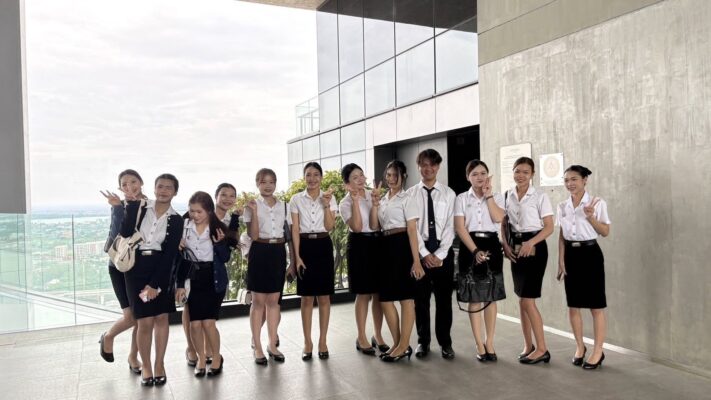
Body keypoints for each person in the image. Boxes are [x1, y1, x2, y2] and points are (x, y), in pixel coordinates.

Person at [121, 174, 183, 386]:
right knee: (144, 321)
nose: (163, 191)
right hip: (136, 269)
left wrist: (156, 284)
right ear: (154, 188)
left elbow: (170, 254)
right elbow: (125, 232)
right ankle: (146, 366)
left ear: (175, 192)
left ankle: (159, 364)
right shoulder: (141, 208)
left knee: (161, 319)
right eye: (160, 186)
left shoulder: (176, 220)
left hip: (161, 270)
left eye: (169, 187)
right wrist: (131, 204)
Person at [556, 165, 610, 370]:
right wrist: (561, 260)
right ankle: (580, 347)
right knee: (573, 305)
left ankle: (598, 351)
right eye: (566, 180)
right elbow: (562, 235)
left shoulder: (597, 203)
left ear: (584, 180)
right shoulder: (562, 206)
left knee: (596, 306)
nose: (570, 183)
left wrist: (591, 217)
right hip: (570, 255)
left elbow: (605, 231)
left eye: (574, 179)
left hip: (590, 254)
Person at [501, 157, 554, 365]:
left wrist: (531, 242)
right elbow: (503, 222)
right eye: (517, 171)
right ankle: (528, 345)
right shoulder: (507, 195)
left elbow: (549, 227)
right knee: (522, 299)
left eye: (525, 172)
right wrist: (505, 244)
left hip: (535, 248)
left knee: (527, 300)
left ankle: (542, 349)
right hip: (515, 248)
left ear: (532, 174)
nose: (520, 175)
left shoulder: (540, 196)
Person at [372, 160, 425, 362]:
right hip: (384, 247)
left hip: (403, 246)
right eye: (388, 175)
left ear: (403, 176)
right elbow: (374, 225)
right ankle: (398, 343)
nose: (391, 179)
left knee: (406, 299)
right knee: (385, 299)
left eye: (395, 175)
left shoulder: (408, 198)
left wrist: (416, 260)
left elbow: (412, 230)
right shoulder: (382, 199)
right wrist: (375, 204)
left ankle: (403, 345)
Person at [175, 191, 233, 377]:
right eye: (192, 211)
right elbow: (180, 259)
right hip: (192, 279)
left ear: (209, 211)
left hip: (213, 279)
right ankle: (201, 358)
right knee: (194, 325)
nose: (195, 215)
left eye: (199, 211)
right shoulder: (185, 227)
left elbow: (225, 258)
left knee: (208, 323)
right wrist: (180, 284)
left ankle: (216, 357)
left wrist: (220, 243)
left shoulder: (218, 228)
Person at [406, 149, 457, 360]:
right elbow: (412, 228)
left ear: (438, 166)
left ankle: (446, 343)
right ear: (418, 167)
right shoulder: (410, 194)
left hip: (443, 253)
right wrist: (424, 254)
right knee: (421, 301)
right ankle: (423, 341)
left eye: (432, 164)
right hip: (420, 253)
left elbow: (451, 226)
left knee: (444, 300)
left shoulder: (449, 194)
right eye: (424, 165)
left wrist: (441, 254)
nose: (428, 168)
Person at [453, 160, 506, 362]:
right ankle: (479, 343)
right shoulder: (461, 198)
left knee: (490, 297)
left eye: (483, 173)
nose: (480, 177)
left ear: (488, 175)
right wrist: (475, 250)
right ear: (468, 177)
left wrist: (489, 195)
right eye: (475, 174)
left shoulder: (496, 196)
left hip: (492, 244)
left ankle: (489, 342)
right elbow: (460, 227)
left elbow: (499, 218)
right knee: (475, 297)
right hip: (470, 246)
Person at [339, 163, 389, 356]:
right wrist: (354, 201)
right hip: (359, 245)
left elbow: (379, 223)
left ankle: (378, 335)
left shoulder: (373, 195)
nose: (360, 179)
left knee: (378, 293)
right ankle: (361, 337)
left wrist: (376, 202)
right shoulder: (344, 203)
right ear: (347, 184)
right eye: (355, 177)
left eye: (361, 175)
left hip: (378, 243)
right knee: (363, 293)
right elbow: (358, 227)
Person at [289, 162, 337, 361]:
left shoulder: (330, 197)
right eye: (308, 175)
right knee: (306, 298)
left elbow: (330, 226)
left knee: (324, 297)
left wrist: (326, 204)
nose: (312, 178)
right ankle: (307, 342)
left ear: (321, 177)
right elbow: (294, 229)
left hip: (323, 245)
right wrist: (297, 256)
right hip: (305, 247)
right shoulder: (296, 199)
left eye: (316, 174)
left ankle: (322, 341)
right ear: (304, 177)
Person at [99, 169, 145, 373]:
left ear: (141, 182)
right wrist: (118, 208)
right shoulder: (120, 206)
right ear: (120, 188)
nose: (129, 187)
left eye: (133, 181)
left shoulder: (150, 205)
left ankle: (133, 357)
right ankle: (108, 336)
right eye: (124, 184)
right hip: (119, 266)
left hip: (141, 267)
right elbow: (116, 234)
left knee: (141, 318)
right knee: (131, 317)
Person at [243, 168, 288, 365]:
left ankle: (272, 344)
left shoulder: (284, 206)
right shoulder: (252, 205)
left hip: (278, 252)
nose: (268, 186)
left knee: (274, 301)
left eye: (271, 182)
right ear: (257, 184)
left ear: (275, 184)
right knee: (258, 302)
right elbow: (253, 235)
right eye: (263, 182)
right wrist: (253, 212)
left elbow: (289, 233)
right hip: (259, 251)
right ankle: (258, 347)